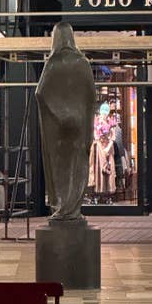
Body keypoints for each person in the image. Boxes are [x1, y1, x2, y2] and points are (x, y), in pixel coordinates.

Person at [36, 22, 96, 220]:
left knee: (60, 167)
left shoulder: (53, 62)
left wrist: (59, 112)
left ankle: (62, 208)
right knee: (78, 165)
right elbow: (91, 97)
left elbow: (40, 92)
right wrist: (86, 126)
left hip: (59, 127)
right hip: (79, 124)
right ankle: (74, 209)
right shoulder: (83, 63)